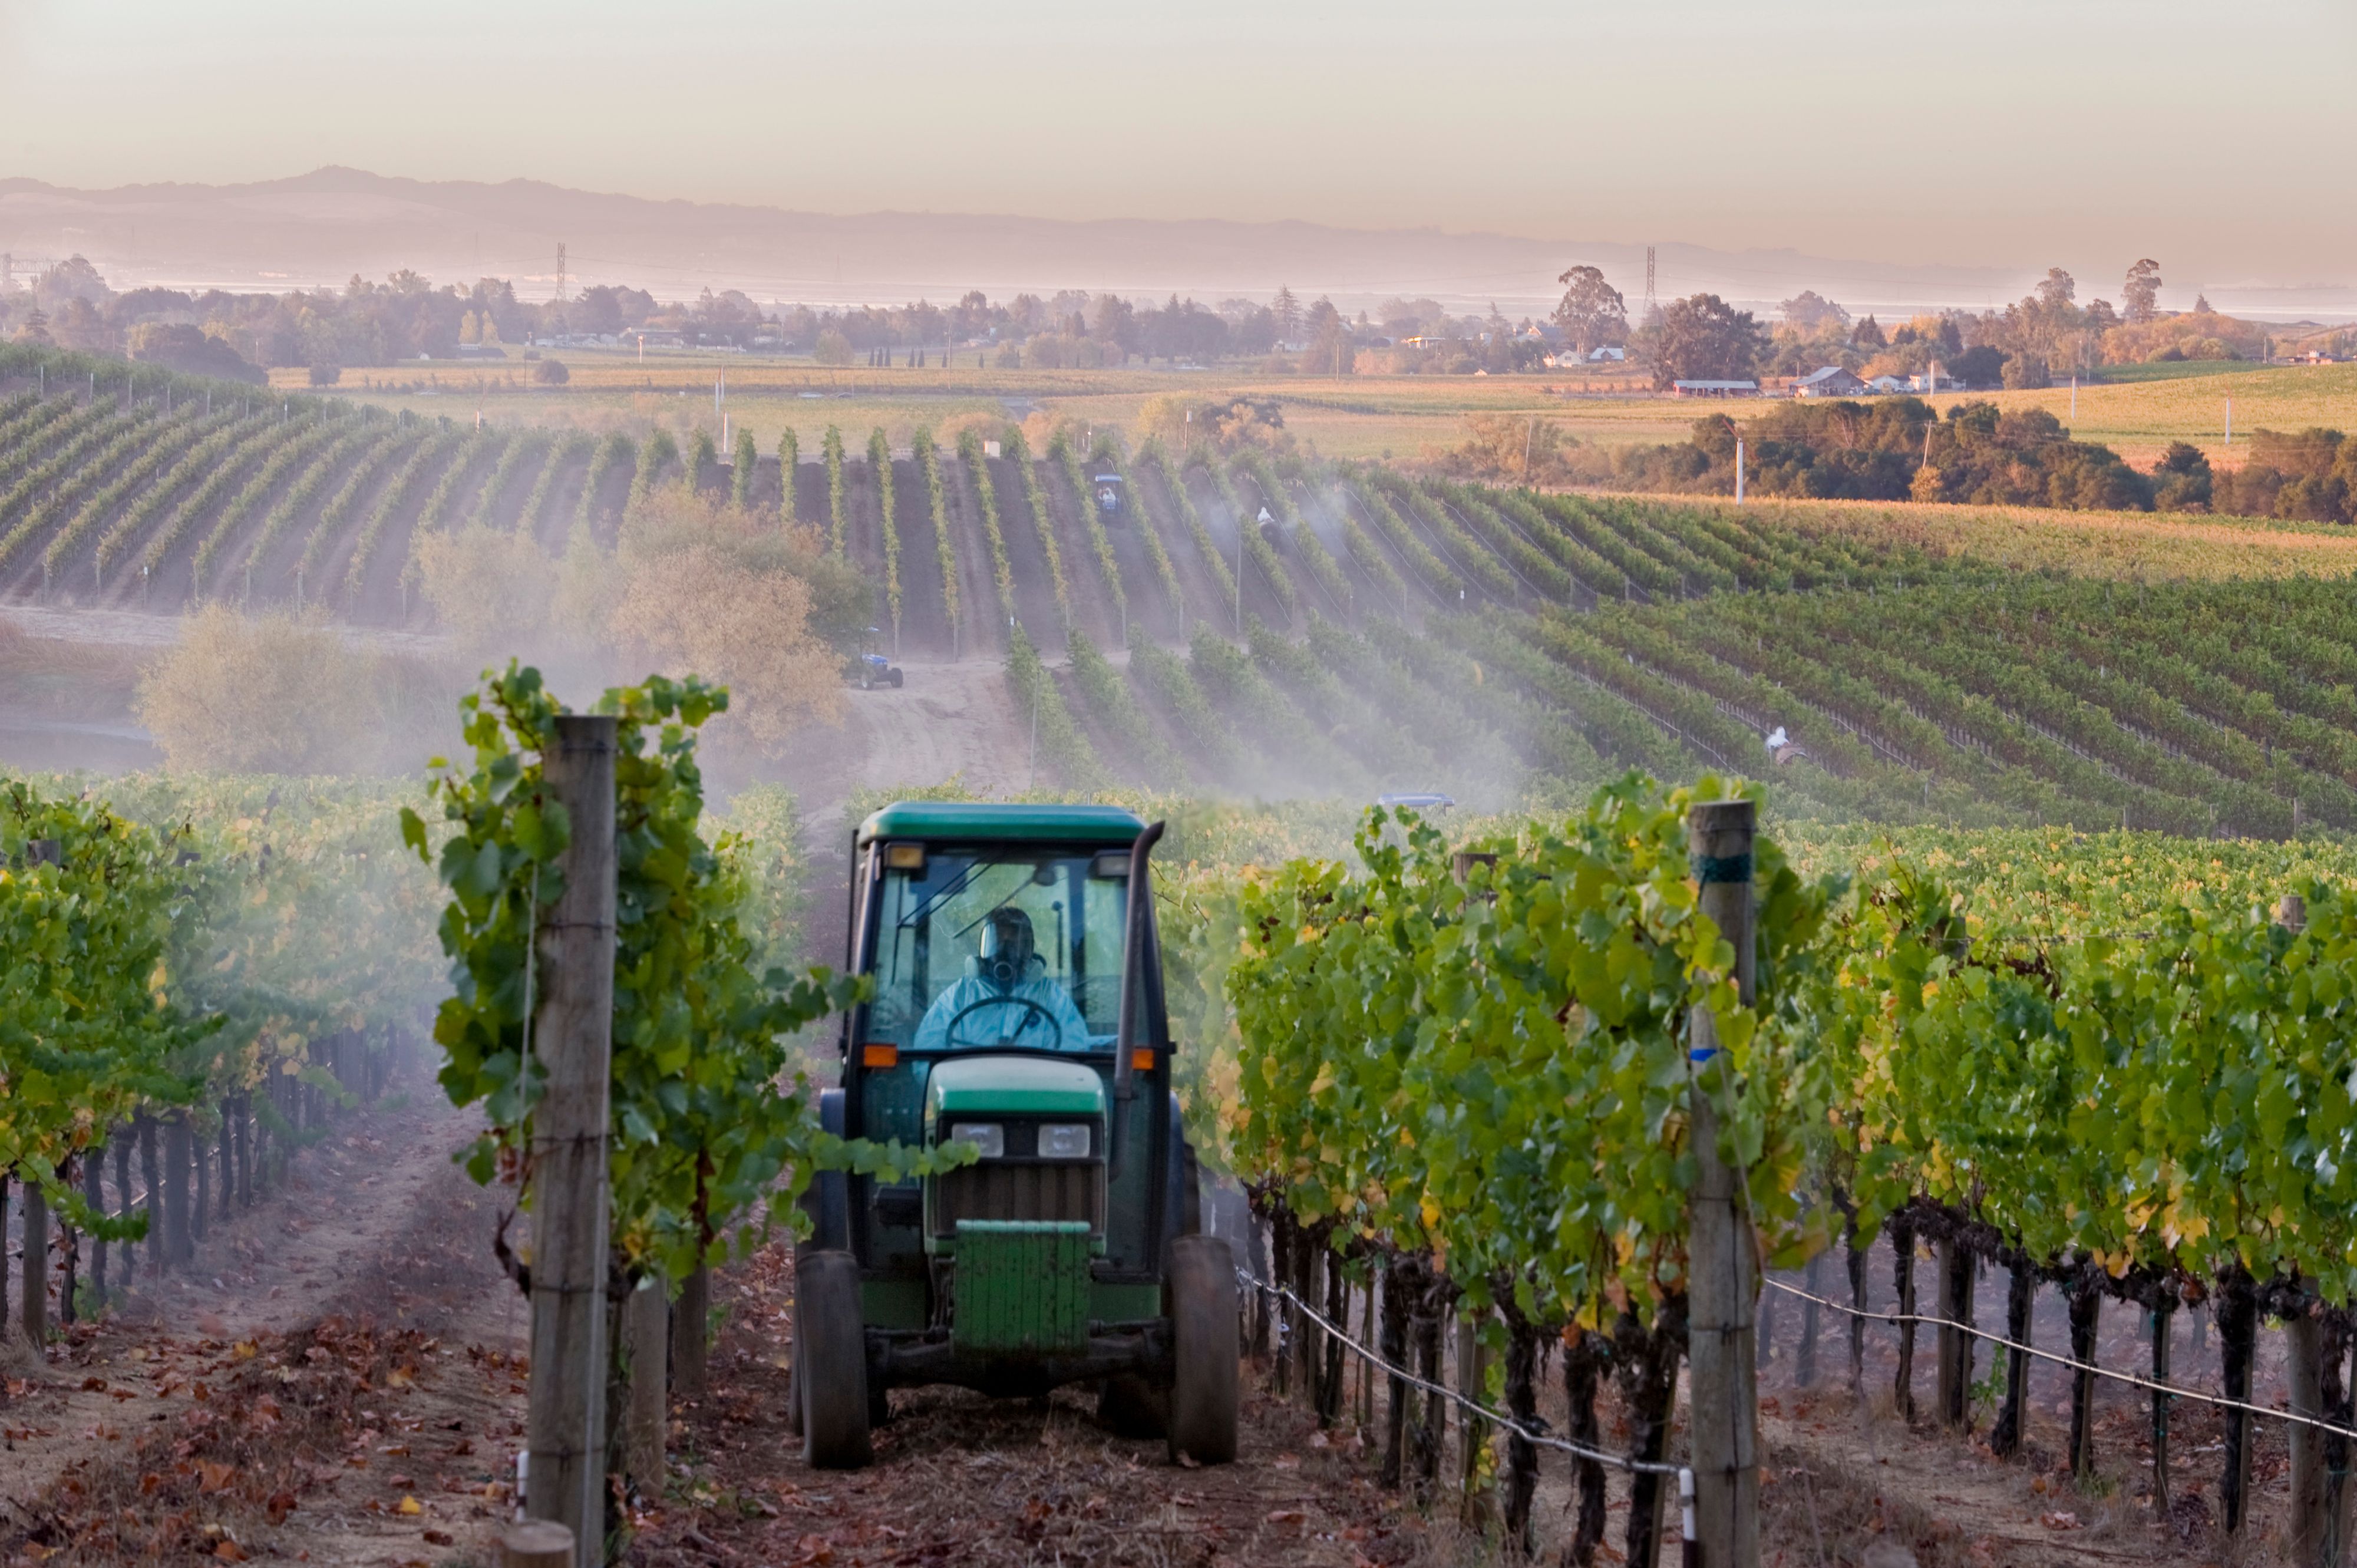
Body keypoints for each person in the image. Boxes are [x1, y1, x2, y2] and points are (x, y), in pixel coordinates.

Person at [912, 906, 1093, 1052]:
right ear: (983, 947)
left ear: (1030, 950)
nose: (1006, 951)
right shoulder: (959, 996)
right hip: (973, 1095)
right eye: (996, 942)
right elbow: (927, 1054)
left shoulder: (1051, 997)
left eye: (1017, 944)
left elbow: (1075, 1049)